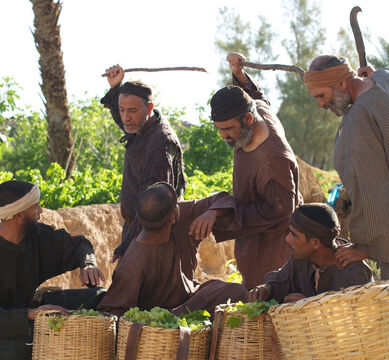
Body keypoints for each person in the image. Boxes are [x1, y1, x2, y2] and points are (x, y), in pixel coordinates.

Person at [303, 55, 389, 356]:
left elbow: (370, 186)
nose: (321, 105)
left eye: (321, 96)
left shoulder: (357, 120)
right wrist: (378, 79)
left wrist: (367, 244)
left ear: (340, 81)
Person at [0, 180, 106, 360]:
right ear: (19, 214)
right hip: (2, 327)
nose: (41, 211)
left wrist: (88, 263)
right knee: (20, 350)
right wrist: (30, 315)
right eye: (35, 206)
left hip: (34, 309)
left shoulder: (35, 235)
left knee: (101, 296)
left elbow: (79, 244)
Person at [208, 52, 301, 290]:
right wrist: (239, 75)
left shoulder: (271, 160)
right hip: (252, 239)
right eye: (219, 129)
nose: (223, 136)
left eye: (228, 129)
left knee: (268, 299)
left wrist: (225, 215)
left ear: (248, 119)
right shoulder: (260, 112)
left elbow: (281, 211)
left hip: (274, 248)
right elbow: (257, 97)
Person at [97, 182, 249, 317]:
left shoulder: (182, 215)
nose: (179, 205)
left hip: (191, 299)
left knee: (237, 292)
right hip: (161, 320)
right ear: (171, 218)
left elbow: (225, 199)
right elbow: (111, 311)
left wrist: (212, 213)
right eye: (176, 204)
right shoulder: (133, 261)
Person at [101, 65, 186, 262]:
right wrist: (116, 87)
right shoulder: (141, 125)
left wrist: (126, 248)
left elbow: (153, 207)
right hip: (137, 229)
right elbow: (126, 121)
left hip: (153, 234)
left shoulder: (160, 144)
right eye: (122, 110)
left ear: (149, 108)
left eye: (132, 110)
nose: (125, 117)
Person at [249, 203, 372, 303]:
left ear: (315, 243)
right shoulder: (301, 259)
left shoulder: (354, 273)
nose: (287, 239)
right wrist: (267, 289)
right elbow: (281, 280)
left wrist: (310, 306)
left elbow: (356, 319)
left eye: (294, 235)